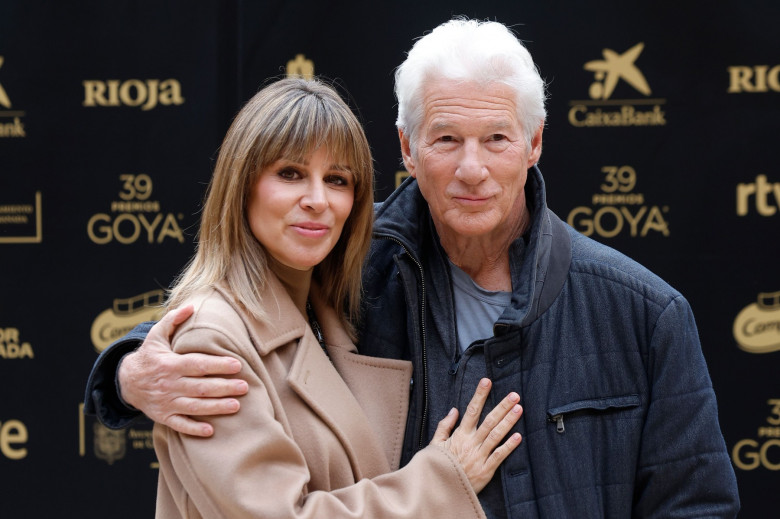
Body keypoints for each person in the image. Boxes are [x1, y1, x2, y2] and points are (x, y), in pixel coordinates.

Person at [85, 19, 740, 518]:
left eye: (497, 139)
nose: (472, 168)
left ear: (534, 144)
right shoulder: (354, 272)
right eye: (447, 139)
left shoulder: (644, 313)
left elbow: (696, 505)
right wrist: (129, 368)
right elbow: (233, 310)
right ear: (407, 147)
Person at [87, 77, 526, 518]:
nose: (318, 200)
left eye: (337, 179)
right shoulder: (210, 340)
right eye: (290, 173)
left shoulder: (331, 305)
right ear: (242, 184)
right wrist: (445, 481)